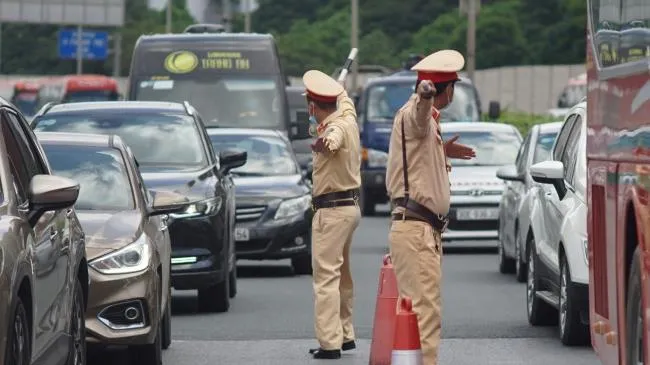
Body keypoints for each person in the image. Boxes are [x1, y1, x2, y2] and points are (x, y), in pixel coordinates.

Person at [385, 49, 476, 364]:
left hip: (421, 230)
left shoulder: (428, 127)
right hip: (416, 229)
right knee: (425, 313)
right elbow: (418, 116)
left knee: (420, 309)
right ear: (446, 89)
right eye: (452, 86)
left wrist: (443, 151)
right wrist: (425, 94)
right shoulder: (417, 114)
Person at [302, 69, 362, 360]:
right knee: (342, 277)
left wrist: (324, 142)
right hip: (350, 209)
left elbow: (332, 139)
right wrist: (340, 89)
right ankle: (345, 333)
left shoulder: (334, 129)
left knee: (325, 278)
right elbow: (346, 103)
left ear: (313, 107)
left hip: (332, 211)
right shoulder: (348, 117)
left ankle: (330, 343)